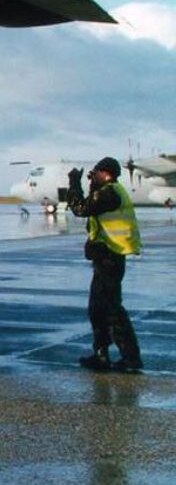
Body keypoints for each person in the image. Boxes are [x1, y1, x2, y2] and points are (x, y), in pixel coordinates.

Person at [67, 157, 143, 373]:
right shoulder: (108, 191)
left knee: (111, 310)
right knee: (97, 309)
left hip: (111, 257)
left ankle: (131, 358)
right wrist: (92, 184)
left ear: (106, 173)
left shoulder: (110, 193)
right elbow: (94, 208)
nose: (94, 175)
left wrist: (74, 183)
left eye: (96, 172)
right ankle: (102, 354)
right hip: (106, 257)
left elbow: (81, 208)